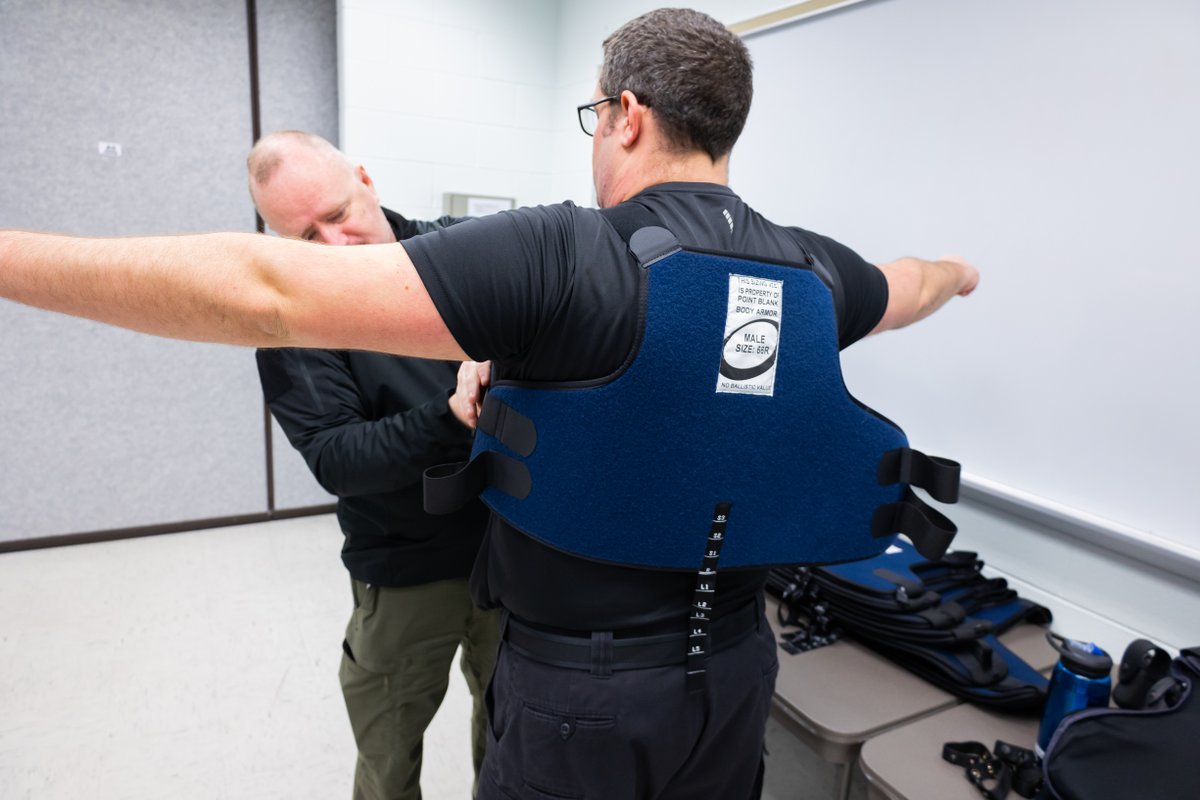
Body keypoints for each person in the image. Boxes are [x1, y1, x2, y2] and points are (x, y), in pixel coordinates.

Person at [0, 9, 978, 798]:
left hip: (578, 694)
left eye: (594, 116)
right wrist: (961, 272)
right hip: (735, 677)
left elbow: (264, 288)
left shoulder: (557, 253)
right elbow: (914, 281)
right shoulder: (814, 271)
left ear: (626, 115)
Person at [246, 131, 498, 800]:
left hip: (515, 556)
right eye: (303, 238)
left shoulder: (466, 255)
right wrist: (452, 417)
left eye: (336, 216)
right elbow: (339, 456)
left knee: (516, 744)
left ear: (366, 179)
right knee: (388, 758)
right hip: (406, 572)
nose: (332, 247)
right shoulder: (292, 322)